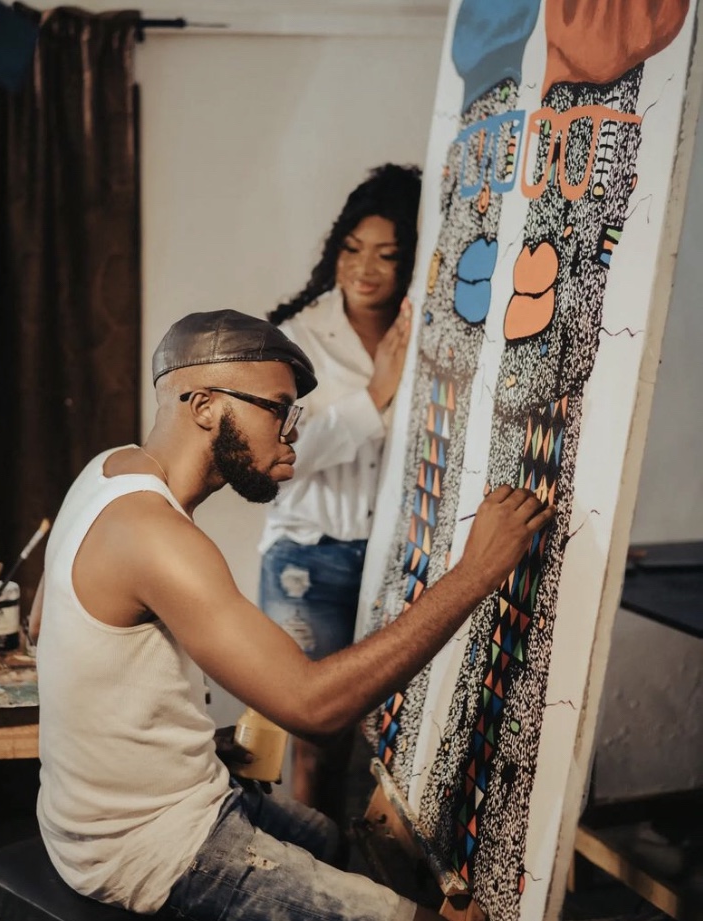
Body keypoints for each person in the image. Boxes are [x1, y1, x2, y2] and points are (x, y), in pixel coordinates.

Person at [29, 308, 554, 921]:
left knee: (326, 837)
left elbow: (43, 624)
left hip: (82, 818)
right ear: (204, 406)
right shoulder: (156, 535)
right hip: (145, 848)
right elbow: (315, 709)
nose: (291, 433)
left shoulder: (109, 468)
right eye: (278, 410)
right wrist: (475, 573)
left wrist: (159, 745)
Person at [259, 164, 421, 821]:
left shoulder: (430, 329)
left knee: (392, 741)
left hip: (400, 560)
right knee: (316, 740)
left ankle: (358, 865)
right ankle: (316, 868)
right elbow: (283, 457)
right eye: (353, 249)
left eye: (387, 254)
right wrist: (375, 395)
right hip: (311, 560)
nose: (365, 268)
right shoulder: (298, 336)